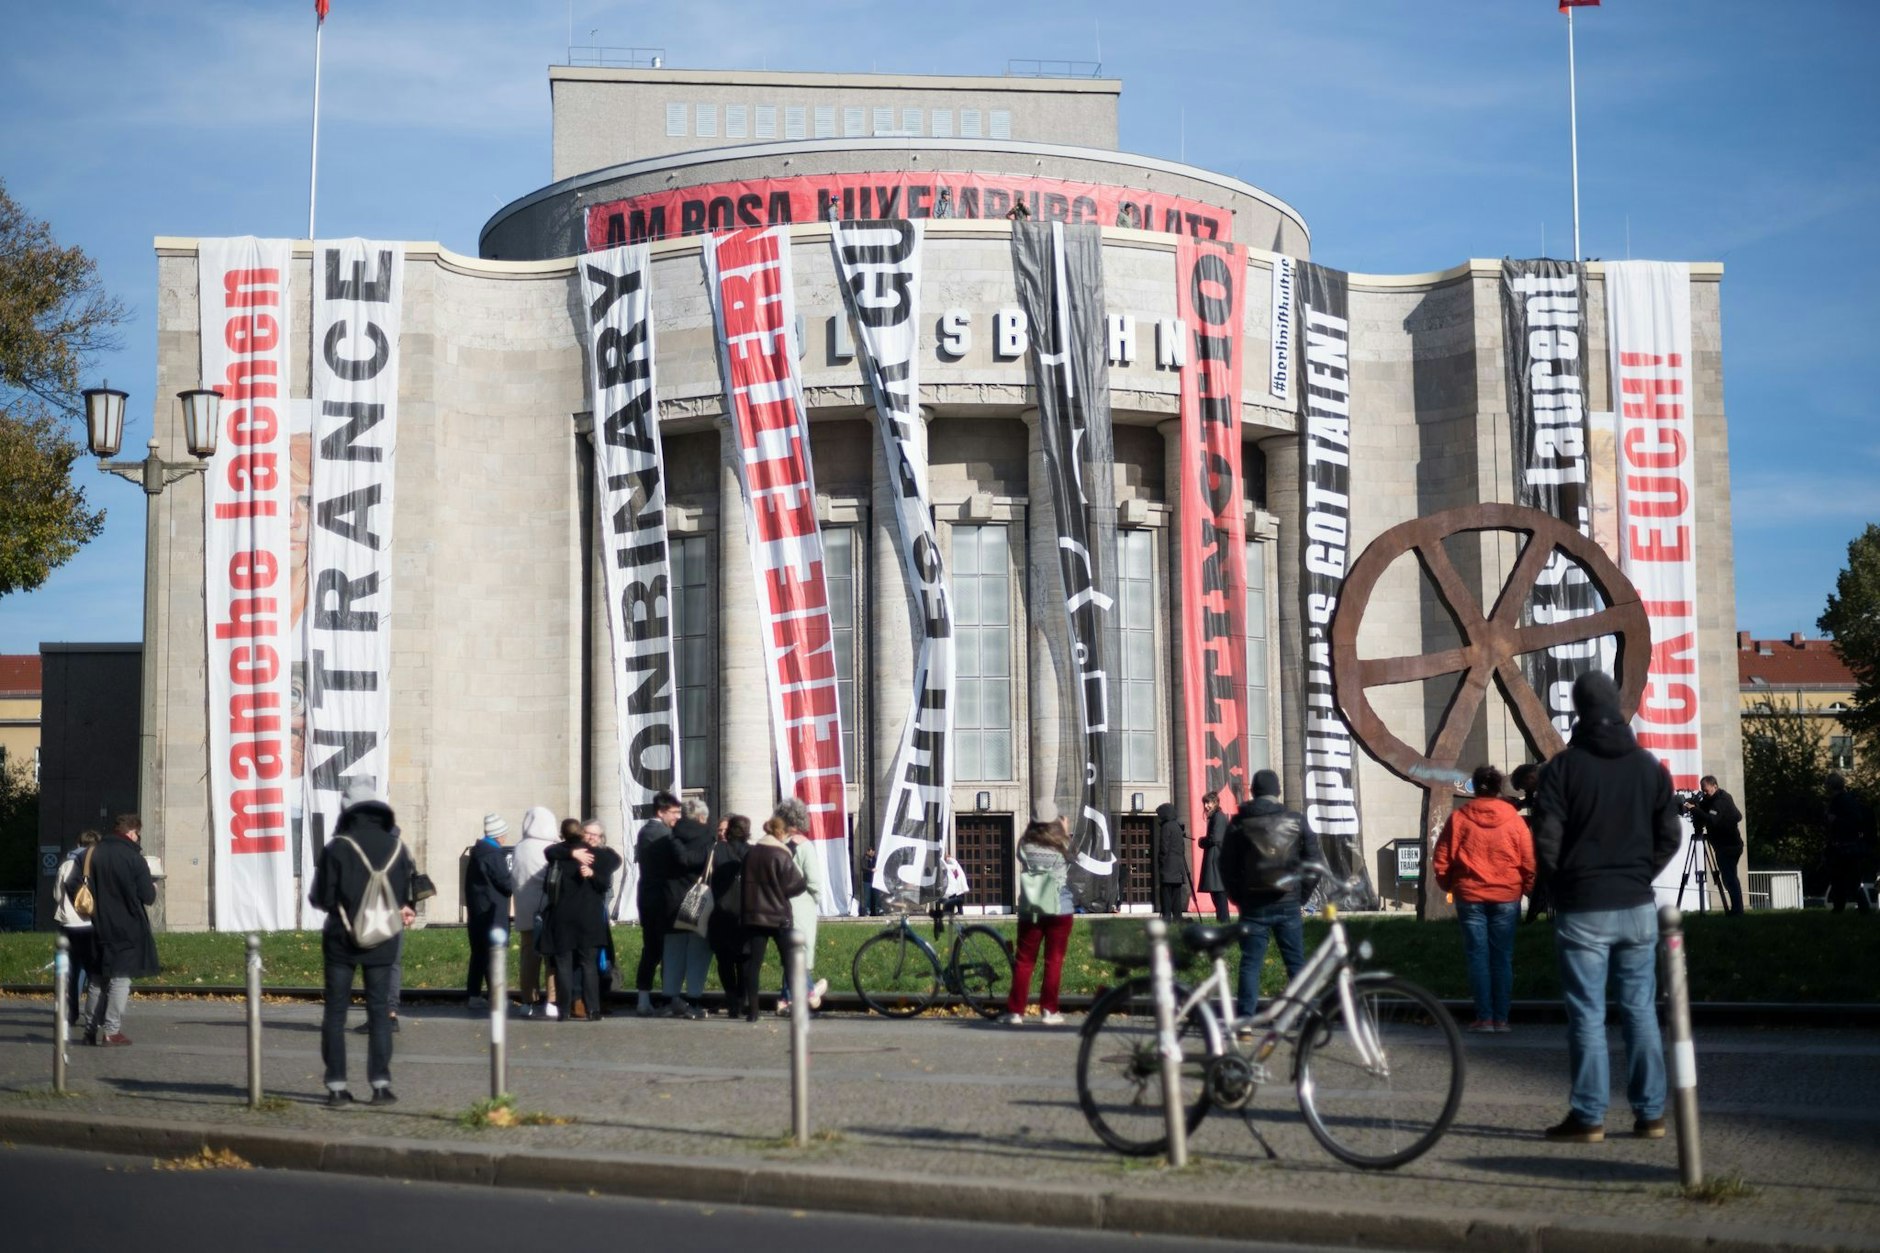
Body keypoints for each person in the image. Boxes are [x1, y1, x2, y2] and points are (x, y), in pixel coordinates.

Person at [1530, 670, 1682, 1143]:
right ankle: (1651, 1113)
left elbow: (1546, 841)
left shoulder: (1561, 769)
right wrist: (1639, 875)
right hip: (1638, 904)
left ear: (1578, 709)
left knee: (1587, 1014)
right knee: (1640, 1012)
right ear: (1617, 706)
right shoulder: (1650, 767)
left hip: (1583, 907)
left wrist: (1566, 884)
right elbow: (1671, 836)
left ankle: (1589, 1116)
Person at [309, 784, 415, 1105]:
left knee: (336, 1013)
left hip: (341, 940)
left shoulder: (337, 847)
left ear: (347, 809)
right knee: (380, 1012)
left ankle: (337, 1087)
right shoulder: (398, 847)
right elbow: (406, 895)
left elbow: (320, 898)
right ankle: (381, 1085)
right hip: (383, 939)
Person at [1431, 765, 1536, 1033]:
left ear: (1475, 788)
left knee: (1477, 956)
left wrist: (1450, 884)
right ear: (1500, 788)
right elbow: (1528, 860)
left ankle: (1484, 1017)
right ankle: (1501, 1018)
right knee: (1502, 957)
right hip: (1506, 894)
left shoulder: (1459, 818)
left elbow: (1442, 857)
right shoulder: (1513, 819)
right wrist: (1525, 887)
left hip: (1470, 894)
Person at [1219, 770, 1320, 1020]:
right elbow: (1314, 863)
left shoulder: (1240, 822)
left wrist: (1238, 897)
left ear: (1253, 791)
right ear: (1278, 792)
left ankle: (1244, 1021)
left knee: (1250, 963)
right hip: (1288, 903)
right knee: (1296, 963)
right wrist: (1301, 896)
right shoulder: (1296, 820)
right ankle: (1302, 1018)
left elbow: (1226, 865)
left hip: (1252, 905)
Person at [83, 813, 158, 1048]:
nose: (138, 839)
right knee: (120, 978)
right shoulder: (134, 858)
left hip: (97, 924)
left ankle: (89, 1030)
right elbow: (148, 896)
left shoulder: (93, 853)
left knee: (97, 979)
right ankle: (112, 1031)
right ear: (131, 833)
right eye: (138, 834)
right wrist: (153, 884)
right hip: (127, 925)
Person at [542, 817, 621, 1022]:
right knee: (589, 965)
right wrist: (593, 872)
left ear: (562, 834)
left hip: (562, 918)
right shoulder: (596, 854)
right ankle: (593, 1009)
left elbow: (549, 852)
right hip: (589, 919)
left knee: (563, 965)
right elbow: (609, 872)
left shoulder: (558, 854)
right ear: (581, 833)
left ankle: (564, 1010)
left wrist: (570, 853)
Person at [1003, 818, 1074, 1025]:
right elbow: (1073, 857)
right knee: (1054, 961)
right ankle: (1049, 1011)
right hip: (1059, 908)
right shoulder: (1064, 844)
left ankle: (1016, 1011)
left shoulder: (1025, 844)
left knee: (1024, 961)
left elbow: (1019, 855)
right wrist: (1065, 831)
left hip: (1030, 908)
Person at [740, 809, 808, 1021]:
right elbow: (798, 885)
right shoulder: (781, 854)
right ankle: (797, 1007)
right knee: (789, 961)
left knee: (754, 964)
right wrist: (781, 892)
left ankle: (753, 1010)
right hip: (778, 916)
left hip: (754, 915)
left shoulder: (751, 853)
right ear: (781, 833)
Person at [661, 797, 717, 1019]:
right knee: (698, 951)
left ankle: (669, 997)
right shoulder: (709, 836)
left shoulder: (669, 837)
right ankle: (693, 999)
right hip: (699, 899)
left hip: (671, 900)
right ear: (702, 816)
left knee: (673, 950)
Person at [633, 791, 682, 1015]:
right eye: (674, 813)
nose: (677, 817)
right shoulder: (660, 834)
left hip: (649, 899)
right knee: (662, 951)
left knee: (653, 950)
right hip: (660, 901)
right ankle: (665, 999)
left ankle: (647, 999)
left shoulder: (648, 831)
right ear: (661, 812)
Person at [778, 807, 829, 1014]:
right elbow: (814, 881)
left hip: (781, 903)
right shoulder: (805, 847)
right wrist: (815, 898)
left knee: (789, 951)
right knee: (801, 952)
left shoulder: (778, 845)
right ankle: (809, 993)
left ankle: (784, 999)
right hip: (801, 904)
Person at [510, 805, 559, 1017]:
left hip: (524, 910)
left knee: (528, 957)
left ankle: (528, 1001)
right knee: (551, 957)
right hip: (547, 910)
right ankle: (552, 1000)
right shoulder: (551, 847)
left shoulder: (520, 848)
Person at [464, 813, 516, 1010]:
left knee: (479, 953)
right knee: (495, 953)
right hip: (492, 911)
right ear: (498, 835)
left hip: (478, 909)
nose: (505, 838)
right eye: (504, 834)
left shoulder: (479, 850)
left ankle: (474, 994)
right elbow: (505, 883)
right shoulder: (493, 854)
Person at [54, 830, 102, 1029]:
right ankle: (95, 1015)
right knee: (94, 971)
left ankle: (71, 1013)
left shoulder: (66, 865)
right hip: (90, 925)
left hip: (68, 925)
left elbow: (57, 895)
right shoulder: (96, 864)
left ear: (77, 842)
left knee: (70, 972)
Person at [708, 815, 753, 1015]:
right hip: (745, 912)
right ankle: (742, 999)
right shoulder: (752, 852)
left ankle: (731, 998)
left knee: (724, 960)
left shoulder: (716, 850)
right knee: (744, 959)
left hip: (720, 911)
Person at [1688, 775, 1745, 916]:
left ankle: (1737, 911)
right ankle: (1737, 910)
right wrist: (1698, 807)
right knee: (1730, 877)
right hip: (1725, 845)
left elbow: (1712, 819)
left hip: (1729, 846)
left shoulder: (1721, 801)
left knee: (1729, 878)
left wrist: (1695, 809)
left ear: (1715, 786)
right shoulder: (1711, 800)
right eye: (1703, 791)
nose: (1705, 794)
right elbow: (1736, 816)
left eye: (1707, 791)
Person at [1823, 773, 1874, 914]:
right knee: (1848, 879)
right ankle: (1857, 908)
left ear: (1831, 785)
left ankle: (1844, 908)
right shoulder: (1846, 800)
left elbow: (1853, 822)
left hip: (1844, 846)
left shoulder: (1841, 801)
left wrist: (1835, 820)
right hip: (1847, 845)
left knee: (1842, 878)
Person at [1512, 763, 1550, 923]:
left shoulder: (1550, 780)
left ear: (1530, 778)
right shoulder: (1541, 782)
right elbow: (1531, 799)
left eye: (1524, 786)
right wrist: (1521, 803)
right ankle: (1534, 915)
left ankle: (1534, 915)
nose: (1527, 790)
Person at [1197, 791, 1231, 922]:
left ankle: (1224, 922)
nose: (1206, 806)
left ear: (1215, 802)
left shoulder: (1218, 817)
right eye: (1205, 803)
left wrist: (1202, 841)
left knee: (1219, 893)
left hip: (1216, 861)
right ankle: (1222, 921)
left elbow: (1215, 839)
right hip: (1216, 860)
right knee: (1216, 893)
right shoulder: (1217, 817)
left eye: (1208, 803)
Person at [1154, 803, 1189, 919]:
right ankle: (1178, 919)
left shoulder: (1166, 827)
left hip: (1168, 868)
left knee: (1166, 896)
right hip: (1178, 868)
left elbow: (1164, 848)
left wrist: (1161, 862)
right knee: (1176, 897)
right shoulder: (1177, 827)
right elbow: (1182, 848)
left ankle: (1167, 918)